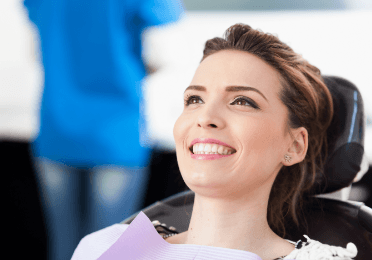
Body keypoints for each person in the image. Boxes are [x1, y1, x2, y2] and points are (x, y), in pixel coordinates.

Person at [70, 24, 358, 260]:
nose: (205, 117)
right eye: (194, 99)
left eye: (242, 101)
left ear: (294, 145)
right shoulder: (101, 247)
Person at [23, 1, 184, 260]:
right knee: (109, 251)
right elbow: (162, 55)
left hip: (56, 129)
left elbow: (34, 51)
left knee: (65, 246)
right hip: (116, 134)